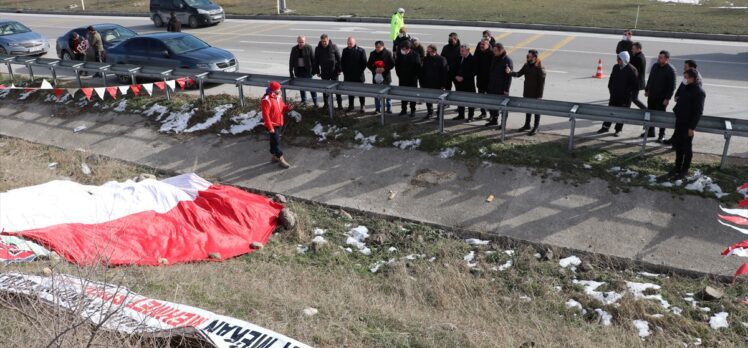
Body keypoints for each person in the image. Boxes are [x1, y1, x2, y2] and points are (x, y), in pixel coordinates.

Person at [667, 70, 705, 180]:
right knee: (678, 146)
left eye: (686, 77)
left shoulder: (699, 92)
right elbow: (679, 97)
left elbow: (698, 112)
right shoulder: (685, 87)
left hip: (688, 125)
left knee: (687, 148)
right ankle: (677, 167)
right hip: (679, 121)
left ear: (693, 78)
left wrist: (692, 127)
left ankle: (684, 170)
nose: (685, 79)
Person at [598, 51, 639, 137]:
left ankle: (618, 130)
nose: (617, 60)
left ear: (624, 60)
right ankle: (605, 127)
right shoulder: (616, 67)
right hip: (614, 96)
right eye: (617, 58)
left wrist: (629, 94)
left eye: (619, 59)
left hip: (625, 98)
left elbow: (635, 86)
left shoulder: (632, 70)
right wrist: (611, 88)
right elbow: (611, 79)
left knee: (622, 115)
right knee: (610, 112)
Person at [507, 49, 546, 135]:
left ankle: (536, 127)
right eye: (527, 56)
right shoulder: (526, 66)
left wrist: (539, 96)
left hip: (536, 94)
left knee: (536, 111)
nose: (527, 58)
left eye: (529, 56)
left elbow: (541, 85)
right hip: (527, 92)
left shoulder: (540, 69)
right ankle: (527, 124)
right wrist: (510, 72)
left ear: (535, 58)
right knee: (527, 109)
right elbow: (518, 74)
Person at [665, 60, 702, 146]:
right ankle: (675, 141)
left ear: (692, 68)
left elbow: (693, 97)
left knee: (684, 139)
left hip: (687, 113)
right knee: (678, 129)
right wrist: (677, 95)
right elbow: (682, 87)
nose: (684, 68)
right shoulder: (687, 76)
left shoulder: (696, 80)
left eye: (686, 67)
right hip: (681, 109)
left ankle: (677, 143)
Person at [643, 50, 677, 141]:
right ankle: (650, 132)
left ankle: (661, 134)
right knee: (650, 114)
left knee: (662, 117)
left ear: (666, 59)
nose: (659, 59)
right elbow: (650, 79)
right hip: (652, 96)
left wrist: (667, 98)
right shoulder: (655, 66)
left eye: (661, 57)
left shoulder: (671, 70)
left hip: (662, 98)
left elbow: (672, 86)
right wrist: (647, 89)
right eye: (659, 57)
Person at [261, 81, 295, 169]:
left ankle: (274, 156)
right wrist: (270, 127)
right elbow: (265, 115)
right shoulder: (266, 100)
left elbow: (282, 108)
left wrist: (287, 108)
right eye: (278, 89)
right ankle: (280, 158)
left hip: (279, 123)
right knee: (276, 142)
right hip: (272, 125)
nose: (280, 90)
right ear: (274, 90)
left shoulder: (278, 97)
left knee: (274, 141)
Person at [485, 43, 513, 128]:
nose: (494, 52)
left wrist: (506, 89)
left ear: (501, 50)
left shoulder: (507, 60)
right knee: (493, 105)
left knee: (503, 107)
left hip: (501, 88)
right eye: (493, 50)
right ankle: (494, 120)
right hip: (492, 86)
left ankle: (503, 123)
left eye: (495, 51)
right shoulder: (495, 57)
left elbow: (509, 77)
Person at [419, 44, 449, 120]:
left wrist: (443, 84)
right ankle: (430, 112)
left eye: (429, 51)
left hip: (438, 84)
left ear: (434, 51)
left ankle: (439, 114)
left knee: (439, 100)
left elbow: (444, 73)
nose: (428, 53)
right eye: (427, 51)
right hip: (427, 83)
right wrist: (421, 82)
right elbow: (422, 71)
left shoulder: (441, 59)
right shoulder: (426, 59)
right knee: (428, 100)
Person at [314, 34, 343, 110]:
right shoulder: (318, 49)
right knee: (325, 89)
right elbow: (316, 61)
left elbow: (339, 59)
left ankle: (340, 105)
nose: (324, 43)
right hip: (324, 72)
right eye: (322, 41)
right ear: (321, 41)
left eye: (325, 41)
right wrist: (317, 71)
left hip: (334, 72)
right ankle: (326, 104)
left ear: (328, 40)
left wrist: (339, 70)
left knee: (336, 89)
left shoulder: (333, 47)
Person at [289, 36, 318, 107]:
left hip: (307, 72)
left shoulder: (309, 47)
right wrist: (291, 72)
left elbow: (313, 60)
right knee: (301, 88)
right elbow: (291, 61)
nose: (301, 43)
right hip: (298, 71)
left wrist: (314, 71)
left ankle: (315, 102)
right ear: (297, 41)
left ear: (305, 41)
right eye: (299, 42)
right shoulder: (294, 49)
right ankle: (304, 101)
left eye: (302, 42)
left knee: (311, 87)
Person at [367, 40, 395, 114]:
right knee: (377, 94)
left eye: (379, 47)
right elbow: (369, 64)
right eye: (376, 47)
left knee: (387, 94)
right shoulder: (372, 53)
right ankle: (377, 108)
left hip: (386, 77)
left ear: (383, 46)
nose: (377, 49)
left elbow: (392, 64)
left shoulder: (388, 53)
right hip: (376, 77)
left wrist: (384, 69)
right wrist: (374, 69)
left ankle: (389, 108)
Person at [395, 41, 422, 117]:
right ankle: (403, 109)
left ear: (408, 49)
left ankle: (413, 110)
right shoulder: (400, 54)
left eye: (404, 49)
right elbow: (397, 66)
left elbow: (418, 67)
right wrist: (399, 75)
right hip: (402, 78)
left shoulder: (415, 55)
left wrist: (415, 76)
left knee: (412, 95)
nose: (403, 50)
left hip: (412, 79)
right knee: (403, 95)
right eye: (402, 49)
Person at [341, 37, 367, 112]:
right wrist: (344, 71)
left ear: (355, 43)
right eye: (348, 43)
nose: (349, 45)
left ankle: (362, 105)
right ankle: (351, 105)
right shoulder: (345, 50)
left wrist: (358, 72)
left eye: (350, 43)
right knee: (350, 92)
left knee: (361, 92)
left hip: (358, 76)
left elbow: (364, 63)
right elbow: (342, 62)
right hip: (348, 76)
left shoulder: (361, 51)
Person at [453, 44, 477, 122]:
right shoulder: (459, 58)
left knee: (470, 100)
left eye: (462, 51)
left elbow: (474, 72)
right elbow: (455, 68)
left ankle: (470, 116)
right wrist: (456, 76)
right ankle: (461, 115)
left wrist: (464, 77)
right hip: (459, 83)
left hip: (468, 84)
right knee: (460, 99)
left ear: (468, 51)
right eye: (460, 51)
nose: (461, 52)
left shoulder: (472, 59)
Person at [473, 38, 493, 119]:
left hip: (489, 80)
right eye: (480, 44)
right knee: (481, 98)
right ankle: (483, 113)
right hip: (480, 79)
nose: (481, 46)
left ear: (488, 45)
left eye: (483, 44)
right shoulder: (478, 52)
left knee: (490, 99)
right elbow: (474, 63)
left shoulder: (492, 54)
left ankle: (492, 115)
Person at [630, 42, 647, 111]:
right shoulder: (639, 56)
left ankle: (646, 110)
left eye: (633, 49)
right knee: (629, 97)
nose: (632, 50)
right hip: (636, 82)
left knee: (634, 99)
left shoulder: (638, 58)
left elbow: (634, 71)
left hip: (636, 82)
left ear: (638, 49)